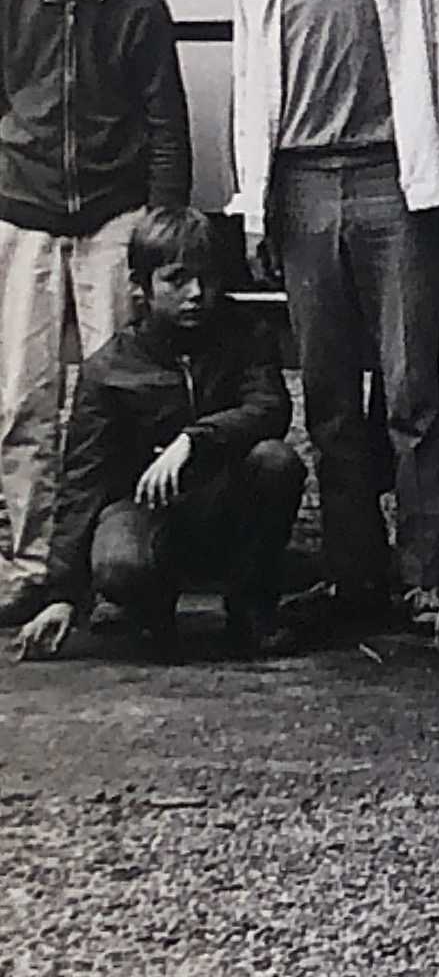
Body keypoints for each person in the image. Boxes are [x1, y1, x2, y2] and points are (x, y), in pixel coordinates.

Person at [230, 0, 439, 632]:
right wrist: (258, 214)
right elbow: (246, 95)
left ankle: (427, 575)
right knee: (331, 398)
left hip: (395, 185)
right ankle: (353, 577)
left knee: (412, 390)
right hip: (301, 190)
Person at [0, 0, 190, 637]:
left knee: (119, 398)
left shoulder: (140, 8)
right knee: (23, 397)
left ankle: (116, 563)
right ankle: (31, 566)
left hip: (114, 221)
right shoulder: (9, 3)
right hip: (26, 216)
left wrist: (159, 234)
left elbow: (166, 128)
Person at [19, 208, 297, 662]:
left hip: (223, 503)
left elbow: (269, 408)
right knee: (119, 560)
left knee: (276, 461)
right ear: (140, 286)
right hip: (148, 515)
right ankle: (149, 610)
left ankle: (251, 609)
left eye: (207, 278)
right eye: (176, 280)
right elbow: (82, 482)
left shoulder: (246, 333)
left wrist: (194, 439)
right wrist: (61, 595)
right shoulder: (109, 369)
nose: (196, 294)